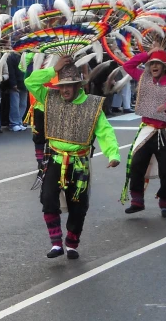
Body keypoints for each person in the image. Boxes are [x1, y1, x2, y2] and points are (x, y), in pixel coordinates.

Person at [25, 56, 120, 260]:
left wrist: (113, 153)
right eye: (62, 86)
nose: (64, 90)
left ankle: (72, 242)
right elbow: (30, 82)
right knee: (48, 199)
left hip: (79, 162)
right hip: (55, 159)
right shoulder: (50, 98)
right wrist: (53, 70)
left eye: (69, 86)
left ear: (78, 85)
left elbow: (105, 131)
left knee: (78, 204)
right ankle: (56, 243)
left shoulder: (92, 105)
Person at [121, 49, 166, 217]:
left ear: (164, 67)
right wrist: (147, 54)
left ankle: (165, 201)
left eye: (157, 63)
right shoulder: (144, 79)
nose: (154, 66)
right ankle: (137, 201)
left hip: (165, 131)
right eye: (151, 64)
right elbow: (128, 66)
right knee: (136, 164)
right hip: (147, 129)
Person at [7, 53, 28, 132]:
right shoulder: (12, 56)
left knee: (23, 104)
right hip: (16, 84)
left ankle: (19, 121)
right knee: (15, 105)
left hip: (24, 83)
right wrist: (13, 83)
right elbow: (11, 71)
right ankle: (14, 123)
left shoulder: (27, 55)